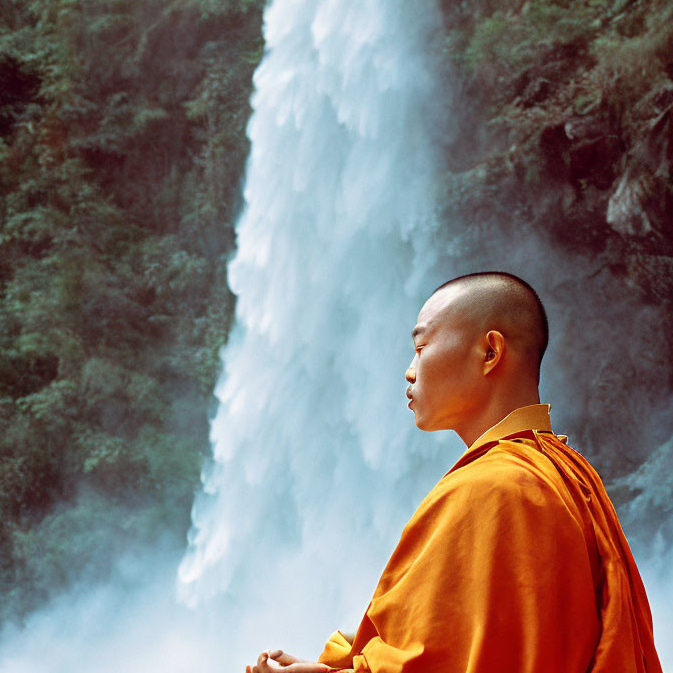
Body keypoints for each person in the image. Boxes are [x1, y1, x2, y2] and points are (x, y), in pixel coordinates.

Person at [245, 271, 663, 673]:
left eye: (422, 347)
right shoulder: (569, 476)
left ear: (489, 353)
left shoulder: (494, 488)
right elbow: (471, 648)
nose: (410, 370)